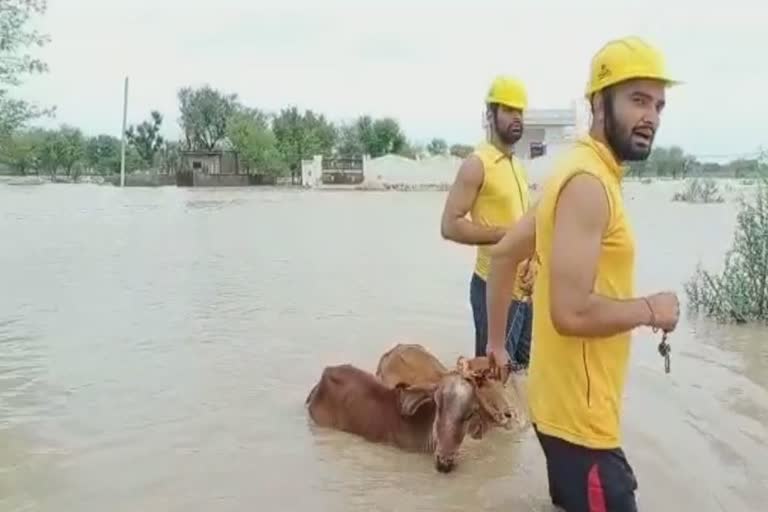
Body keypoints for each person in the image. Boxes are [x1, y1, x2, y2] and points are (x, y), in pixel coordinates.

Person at [484, 36, 681, 511]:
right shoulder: (589, 183)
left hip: (557, 411)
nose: (651, 115)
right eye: (637, 100)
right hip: (581, 426)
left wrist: (494, 343)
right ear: (598, 102)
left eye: (658, 104)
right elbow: (569, 313)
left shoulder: (577, 170)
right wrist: (651, 308)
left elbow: (504, 254)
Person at [440, 75, 535, 369]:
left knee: (524, 376)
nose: (516, 117)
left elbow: (527, 226)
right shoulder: (477, 164)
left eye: (520, 111)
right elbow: (450, 225)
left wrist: (534, 260)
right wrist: (506, 236)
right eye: (508, 110)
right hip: (492, 287)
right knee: (493, 381)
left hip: (525, 291)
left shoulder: (517, 166)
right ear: (490, 115)